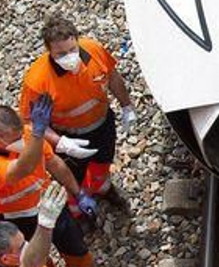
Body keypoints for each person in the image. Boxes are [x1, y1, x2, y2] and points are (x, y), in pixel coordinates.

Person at [0, 98, 114, 267]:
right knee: (34, 261)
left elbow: (54, 163)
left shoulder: (28, 135)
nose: (21, 140)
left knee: (77, 250)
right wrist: (38, 134)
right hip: (18, 223)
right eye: (14, 138)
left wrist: (78, 193)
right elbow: (24, 167)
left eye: (22, 135)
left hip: (50, 206)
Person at [17, 16, 136, 207]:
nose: (69, 57)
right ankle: (77, 208)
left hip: (103, 124)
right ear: (49, 51)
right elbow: (30, 122)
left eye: (72, 50)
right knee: (73, 177)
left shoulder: (93, 50)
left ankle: (102, 187)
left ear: (77, 40)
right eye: (61, 54)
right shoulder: (38, 81)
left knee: (103, 161)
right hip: (69, 137)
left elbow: (112, 76)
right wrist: (61, 142)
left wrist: (126, 106)